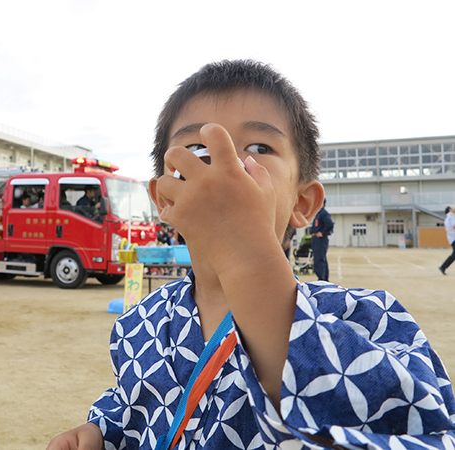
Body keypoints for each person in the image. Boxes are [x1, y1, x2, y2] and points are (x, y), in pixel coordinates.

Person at [47, 60, 455, 450]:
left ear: (303, 203)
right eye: (195, 148)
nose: (223, 165)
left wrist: (247, 258)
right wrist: (99, 433)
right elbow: (130, 408)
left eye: (258, 146)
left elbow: (424, 430)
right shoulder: (142, 321)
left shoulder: (369, 319)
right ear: (164, 198)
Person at [310, 198, 333, 281]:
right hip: (316, 239)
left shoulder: (324, 213)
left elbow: (330, 224)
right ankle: (323, 278)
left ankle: (322, 279)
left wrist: (323, 233)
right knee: (320, 258)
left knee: (319, 259)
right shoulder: (318, 213)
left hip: (321, 239)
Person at [439, 206, 455, 274]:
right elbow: (454, 226)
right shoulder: (451, 216)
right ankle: (443, 267)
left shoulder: (447, 218)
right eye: (452, 208)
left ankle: (443, 267)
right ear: (450, 209)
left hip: (452, 238)